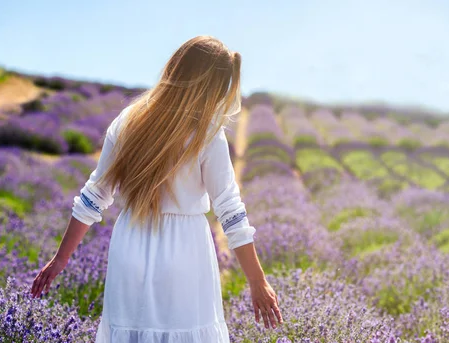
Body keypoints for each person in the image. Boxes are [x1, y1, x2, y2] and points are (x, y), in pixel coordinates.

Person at [30, 35, 283, 342]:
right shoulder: (207, 136)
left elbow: (93, 197)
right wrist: (257, 281)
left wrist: (61, 259)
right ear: (213, 87)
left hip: (130, 245)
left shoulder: (128, 121)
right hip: (186, 253)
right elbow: (230, 213)